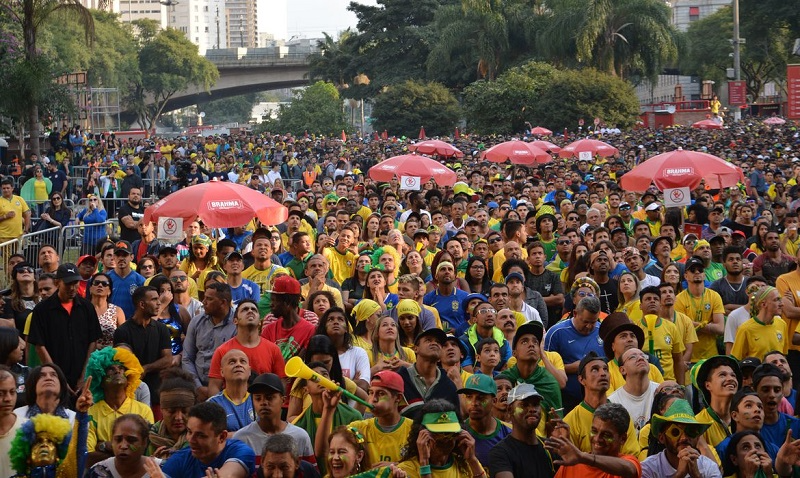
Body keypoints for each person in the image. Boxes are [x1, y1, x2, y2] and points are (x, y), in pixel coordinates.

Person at [28, 263, 102, 394]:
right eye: (68, 284)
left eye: (76, 283)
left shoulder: (86, 307)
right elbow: (40, 345)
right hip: (55, 377)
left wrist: (84, 375)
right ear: (57, 283)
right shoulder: (42, 310)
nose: (73, 288)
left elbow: (93, 341)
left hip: (82, 375)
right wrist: (57, 377)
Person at [84, 347, 154, 464]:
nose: (118, 371)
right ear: (99, 377)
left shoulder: (143, 410)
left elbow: (146, 451)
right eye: (111, 369)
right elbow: (88, 457)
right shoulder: (90, 412)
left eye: (122, 368)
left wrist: (102, 446)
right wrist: (127, 451)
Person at [563, 352, 640, 455]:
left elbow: (631, 457)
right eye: (595, 370)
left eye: (605, 369)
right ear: (581, 380)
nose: (603, 373)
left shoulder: (622, 416)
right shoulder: (570, 420)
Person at [233, 373, 315, 467]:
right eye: (258, 398)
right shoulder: (241, 438)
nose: (263, 402)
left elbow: (310, 472)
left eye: (269, 397)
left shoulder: (300, 436)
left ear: (283, 400)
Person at [208, 299, 285, 396]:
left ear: (260, 322)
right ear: (235, 321)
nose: (250, 311)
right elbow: (214, 386)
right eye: (244, 310)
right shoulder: (222, 351)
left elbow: (281, 383)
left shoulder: (273, 350)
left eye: (254, 310)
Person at [159, 401, 256, 478]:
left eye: (200, 435)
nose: (191, 440)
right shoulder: (181, 458)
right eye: (189, 431)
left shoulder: (240, 451)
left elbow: (227, 475)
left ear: (222, 437)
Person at [544, 402, 641, 478]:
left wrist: (583, 457)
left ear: (622, 439)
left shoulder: (627, 462)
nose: (597, 439)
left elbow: (629, 469)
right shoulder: (572, 464)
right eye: (594, 431)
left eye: (606, 435)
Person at [397, 398, 486, 478]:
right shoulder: (406, 469)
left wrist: (472, 459)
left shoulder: (466, 465)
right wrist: (424, 462)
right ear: (422, 435)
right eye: (438, 433)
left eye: (450, 433)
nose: (445, 439)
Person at [544, 296, 605, 412]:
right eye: (585, 321)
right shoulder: (556, 333)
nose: (589, 326)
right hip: (566, 399)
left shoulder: (602, 331)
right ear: (575, 313)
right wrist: (572, 368)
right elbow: (546, 369)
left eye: (593, 322)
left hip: (597, 400)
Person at [181, 282, 236, 401]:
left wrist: (214, 389)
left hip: (225, 389)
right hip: (196, 387)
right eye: (204, 298)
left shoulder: (236, 326)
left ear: (223, 302)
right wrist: (198, 387)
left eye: (209, 299)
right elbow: (187, 357)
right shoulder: (196, 321)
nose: (204, 302)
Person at [488, 383, 556, 478]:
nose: (532, 409)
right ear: (509, 409)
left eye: (536, 404)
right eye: (524, 405)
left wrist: (566, 444)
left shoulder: (551, 448)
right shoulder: (501, 452)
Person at [641, 398, 722, 478]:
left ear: (697, 438)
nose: (684, 438)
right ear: (662, 438)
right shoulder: (649, 468)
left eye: (690, 431)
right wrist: (679, 474)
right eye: (675, 432)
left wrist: (697, 476)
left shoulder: (709, 467)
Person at [675, 256, 724, 364]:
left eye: (700, 270)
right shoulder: (679, 299)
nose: (697, 272)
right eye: (692, 270)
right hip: (689, 358)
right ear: (686, 276)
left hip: (711, 356)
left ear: (704, 274)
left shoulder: (714, 296)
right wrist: (708, 325)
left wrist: (692, 325)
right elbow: (682, 329)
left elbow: (720, 328)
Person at [396, 328, 459, 413]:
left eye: (438, 342)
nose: (434, 343)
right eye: (428, 340)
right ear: (415, 349)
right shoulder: (399, 380)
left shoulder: (448, 386)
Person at [148, 368, 197, 459]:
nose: (178, 417)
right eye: (171, 411)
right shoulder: (147, 439)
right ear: (161, 410)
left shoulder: (199, 442)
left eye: (184, 411)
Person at [610, 347, 660, 435]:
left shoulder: (661, 392)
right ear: (622, 370)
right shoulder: (613, 402)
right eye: (632, 357)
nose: (640, 358)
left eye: (644, 356)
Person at [87, 414, 153, 478]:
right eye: (118, 439)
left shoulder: (161, 470)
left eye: (131, 440)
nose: (123, 446)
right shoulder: (97, 472)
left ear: (144, 442)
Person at [207, 349, 255, 432]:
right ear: (222, 372)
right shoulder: (212, 404)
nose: (238, 365)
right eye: (232, 362)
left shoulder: (258, 400)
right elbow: (209, 437)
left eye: (243, 361)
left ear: (249, 371)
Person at [107, 241, 146, 319]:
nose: (121, 258)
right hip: (111, 324)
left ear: (132, 257)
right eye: (118, 255)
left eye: (125, 255)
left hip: (133, 325)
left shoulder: (140, 280)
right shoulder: (106, 279)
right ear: (114, 257)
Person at [0, 177, 31, 243]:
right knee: (8, 254)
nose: (6, 190)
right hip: (4, 236)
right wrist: (5, 216)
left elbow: (27, 214)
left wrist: (26, 230)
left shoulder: (20, 199)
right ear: (1, 189)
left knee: (18, 253)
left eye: (8, 188)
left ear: (12, 188)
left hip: (19, 236)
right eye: (4, 188)